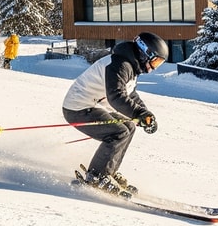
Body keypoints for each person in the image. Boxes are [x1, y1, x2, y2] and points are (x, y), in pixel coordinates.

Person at [64, 32, 166, 197]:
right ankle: (97, 176)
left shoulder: (129, 66)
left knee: (129, 127)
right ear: (145, 52)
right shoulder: (120, 64)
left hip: (94, 105)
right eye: (155, 62)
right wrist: (138, 113)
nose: (154, 68)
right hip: (77, 107)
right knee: (118, 132)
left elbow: (130, 95)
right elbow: (116, 97)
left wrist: (145, 115)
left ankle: (108, 171)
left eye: (159, 64)